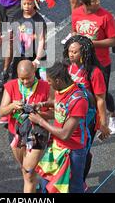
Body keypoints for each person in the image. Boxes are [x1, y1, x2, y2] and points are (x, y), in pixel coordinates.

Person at [30, 62, 91, 193]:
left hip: (73, 151)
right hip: (57, 146)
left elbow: (65, 134)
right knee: (46, 180)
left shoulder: (78, 100)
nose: (48, 84)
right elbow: (58, 102)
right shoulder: (61, 89)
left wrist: (40, 120)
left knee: (74, 186)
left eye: (50, 81)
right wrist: (43, 104)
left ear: (58, 80)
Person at [62, 35, 110, 188]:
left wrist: (103, 123)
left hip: (87, 119)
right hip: (67, 116)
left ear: (84, 53)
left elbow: (101, 100)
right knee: (66, 150)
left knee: (83, 152)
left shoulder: (94, 73)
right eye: (70, 51)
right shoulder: (66, 67)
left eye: (75, 52)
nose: (71, 54)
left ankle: (80, 181)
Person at [71, 0, 115, 134]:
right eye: (94, 1)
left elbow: (113, 41)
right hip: (82, 62)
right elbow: (74, 31)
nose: (98, 2)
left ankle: (113, 114)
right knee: (82, 90)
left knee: (102, 93)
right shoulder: (76, 14)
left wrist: (91, 44)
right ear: (84, 3)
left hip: (101, 62)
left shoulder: (106, 16)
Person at [0, 60, 52, 192]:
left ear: (34, 71)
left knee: (28, 172)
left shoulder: (46, 86)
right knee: (25, 169)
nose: (24, 82)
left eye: (28, 78)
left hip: (37, 133)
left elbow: (55, 112)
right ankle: (34, 184)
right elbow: (2, 111)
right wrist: (12, 106)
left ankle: (32, 183)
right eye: (21, 79)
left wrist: (38, 113)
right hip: (16, 133)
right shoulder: (11, 86)